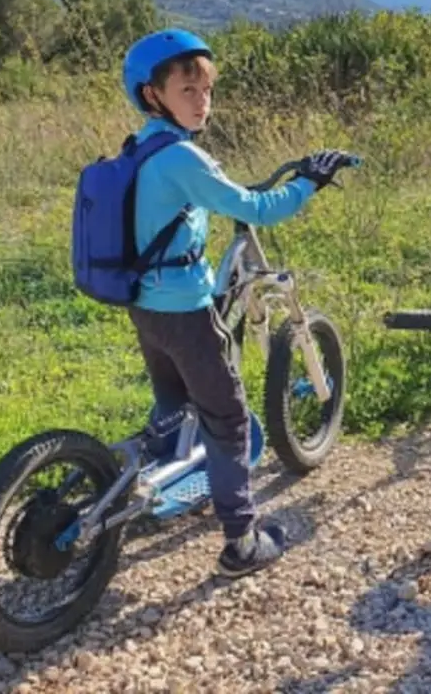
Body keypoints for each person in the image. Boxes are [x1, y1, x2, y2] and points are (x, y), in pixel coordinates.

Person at [119, 28, 351, 575]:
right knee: (229, 421)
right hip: (184, 311)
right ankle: (241, 542)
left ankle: (160, 474)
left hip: (144, 305)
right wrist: (310, 183)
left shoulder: (141, 147)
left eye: (207, 91)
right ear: (153, 95)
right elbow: (258, 209)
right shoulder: (181, 156)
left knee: (174, 403)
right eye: (188, 91)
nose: (203, 102)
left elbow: (202, 199)